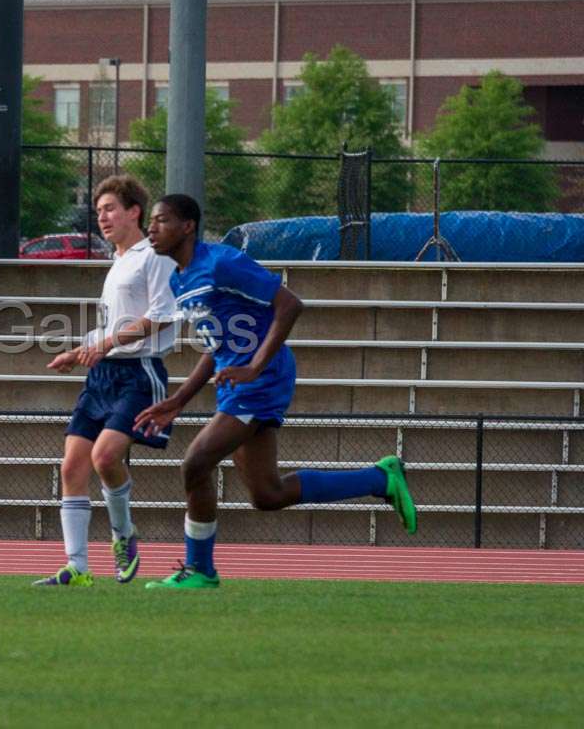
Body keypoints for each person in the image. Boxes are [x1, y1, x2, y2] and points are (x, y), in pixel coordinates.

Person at [134, 194, 417, 590]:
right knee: (268, 494)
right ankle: (379, 479)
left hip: (262, 380)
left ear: (187, 227)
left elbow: (289, 305)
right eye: (151, 221)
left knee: (195, 463)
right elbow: (217, 348)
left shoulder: (222, 262)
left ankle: (200, 570)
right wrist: (179, 400)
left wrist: (255, 366)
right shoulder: (179, 279)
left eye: (161, 220)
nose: (151, 228)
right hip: (240, 382)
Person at [33, 175, 178, 587]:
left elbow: (161, 316)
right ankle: (77, 567)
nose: (103, 217)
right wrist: (79, 352)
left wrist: (109, 343)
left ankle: (123, 535)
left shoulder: (154, 256)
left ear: (135, 211)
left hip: (139, 372)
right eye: (98, 211)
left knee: (105, 458)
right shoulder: (117, 261)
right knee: (72, 466)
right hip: (102, 376)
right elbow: (108, 327)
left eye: (110, 208)